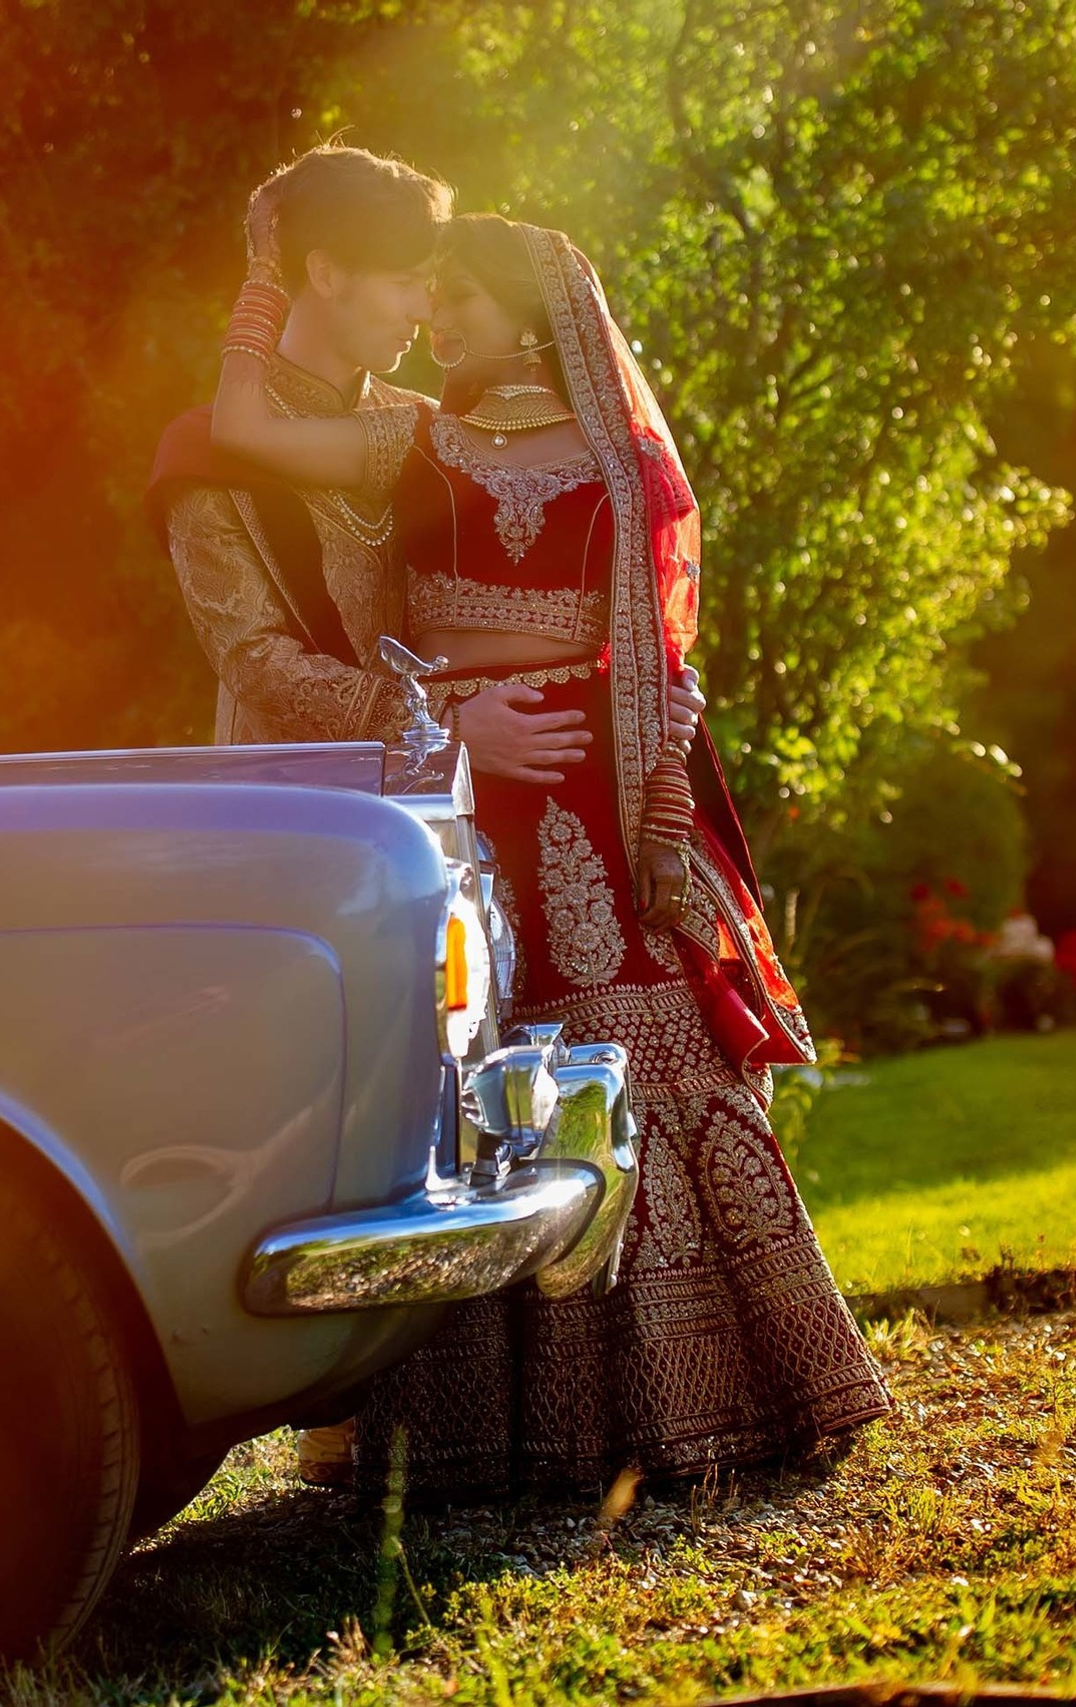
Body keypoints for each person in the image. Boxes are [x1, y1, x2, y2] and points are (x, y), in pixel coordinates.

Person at [205, 197, 891, 1500]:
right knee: (468, 1074)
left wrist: (656, 801)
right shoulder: (413, 442)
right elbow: (239, 435)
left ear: (523, 311)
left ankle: (710, 1397)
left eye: (454, 300)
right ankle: (478, 1430)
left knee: (635, 1055)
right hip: (463, 782)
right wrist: (260, 284)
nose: (432, 323)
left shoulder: (629, 467)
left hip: (590, 780)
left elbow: (664, 652)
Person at [145, 145, 703, 784]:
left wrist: (653, 683)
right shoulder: (206, 456)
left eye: (432, 288)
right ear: (327, 275)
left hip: (451, 798)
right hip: (293, 805)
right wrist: (444, 719)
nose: (424, 311)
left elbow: (535, 582)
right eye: (406, 283)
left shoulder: (430, 430)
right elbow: (255, 660)